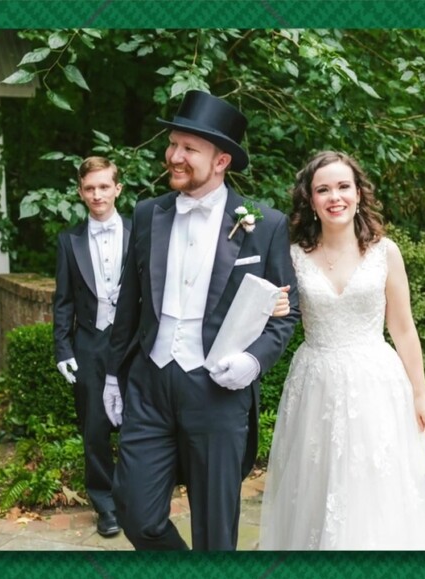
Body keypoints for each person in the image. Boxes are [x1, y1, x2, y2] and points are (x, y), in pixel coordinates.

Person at [103, 90, 300, 551]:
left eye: (189, 149)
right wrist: (114, 374)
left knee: (215, 530)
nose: (174, 156)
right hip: (150, 385)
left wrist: (254, 362)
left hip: (216, 391)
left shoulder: (264, 225)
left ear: (221, 161)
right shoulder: (149, 213)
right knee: (135, 510)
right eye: (173, 144)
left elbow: (285, 314)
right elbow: (129, 304)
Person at [259, 151, 425, 550]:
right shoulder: (293, 255)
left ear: (359, 193)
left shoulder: (385, 252)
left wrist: (421, 392)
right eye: (323, 189)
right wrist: (271, 307)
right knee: (316, 488)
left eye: (343, 186)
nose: (335, 197)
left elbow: (403, 327)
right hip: (315, 385)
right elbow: (277, 311)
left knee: (376, 489)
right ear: (310, 200)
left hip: (375, 384)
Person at [52, 157, 129, 538]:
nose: (97, 194)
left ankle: (138, 498)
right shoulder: (69, 240)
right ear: (81, 192)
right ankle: (106, 506)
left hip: (133, 344)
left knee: (139, 424)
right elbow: (63, 300)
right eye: (90, 188)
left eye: (104, 186)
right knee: (96, 429)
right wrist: (63, 349)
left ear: (118, 188)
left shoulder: (141, 231)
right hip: (90, 345)